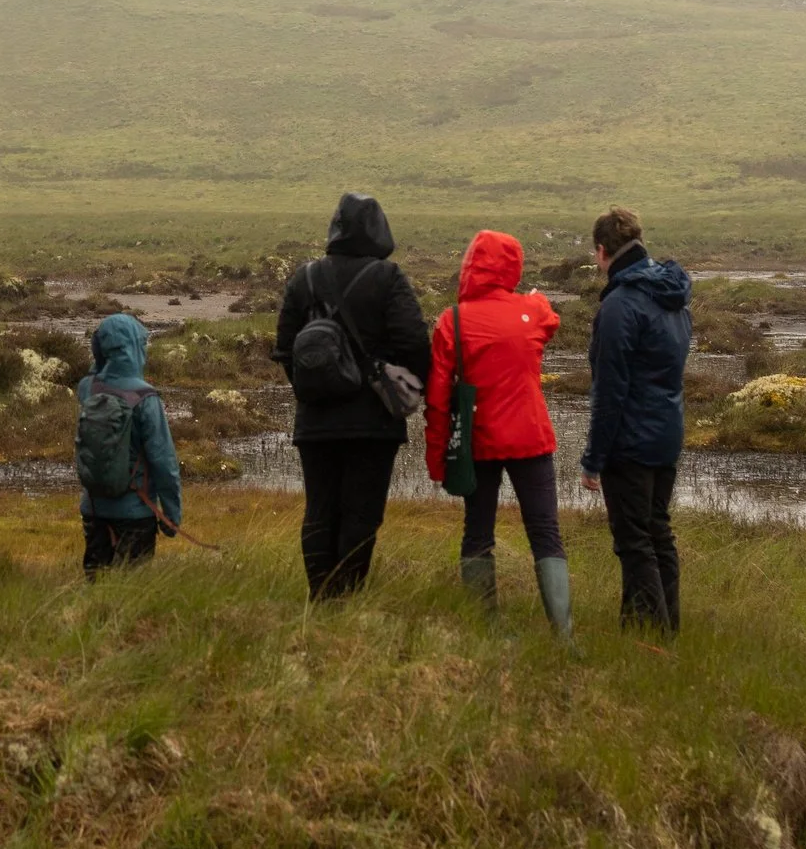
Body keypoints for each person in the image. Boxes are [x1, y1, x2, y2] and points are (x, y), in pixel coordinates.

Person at [274, 193, 432, 599]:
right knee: (361, 514)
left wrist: (313, 388)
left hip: (314, 420)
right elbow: (413, 341)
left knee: (320, 511)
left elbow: (285, 348)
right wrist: (404, 386)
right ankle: (344, 599)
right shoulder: (388, 277)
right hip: (373, 422)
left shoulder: (303, 277)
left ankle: (320, 597)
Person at [427, 229, 573, 638]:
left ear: (469, 267)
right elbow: (551, 320)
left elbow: (438, 401)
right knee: (546, 534)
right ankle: (563, 636)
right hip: (531, 438)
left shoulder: (452, 321)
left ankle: (484, 630)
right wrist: (536, 299)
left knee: (477, 533)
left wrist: (437, 459)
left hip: (480, 442)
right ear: (514, 267)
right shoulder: (534, 311)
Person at [577, 207, 692, 632]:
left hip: (631, 442)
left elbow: (610, 392)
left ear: (602, 251)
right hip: (666, 433)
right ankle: (658, 630)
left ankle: (652, 637)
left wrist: (593, 460)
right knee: (657, 532)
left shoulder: (620, 305)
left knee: (634, 541)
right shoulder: (672, 297)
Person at [75, 312, 184, 577]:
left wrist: (100, 361)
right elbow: (164, 461)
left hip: (93, 508)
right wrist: (171, 515)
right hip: (136, 511)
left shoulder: (88, 388)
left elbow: (94, 374)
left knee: (95, 582)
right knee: (132, 590)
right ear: (135, 348)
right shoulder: (146, 398)